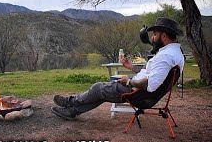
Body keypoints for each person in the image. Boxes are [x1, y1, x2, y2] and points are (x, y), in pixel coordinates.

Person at [51, 17, 185, 120]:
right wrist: (131, 67)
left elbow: (150, 84)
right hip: (141, 92)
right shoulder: (176, 54)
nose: (152, 38)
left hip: (136, 93)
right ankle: (71, 111)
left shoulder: (166, 56)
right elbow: (151, 75)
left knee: (98, 88)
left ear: (164, 36)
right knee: (101, 94)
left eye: (155, 34)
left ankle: (69, 102)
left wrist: (128, 82)